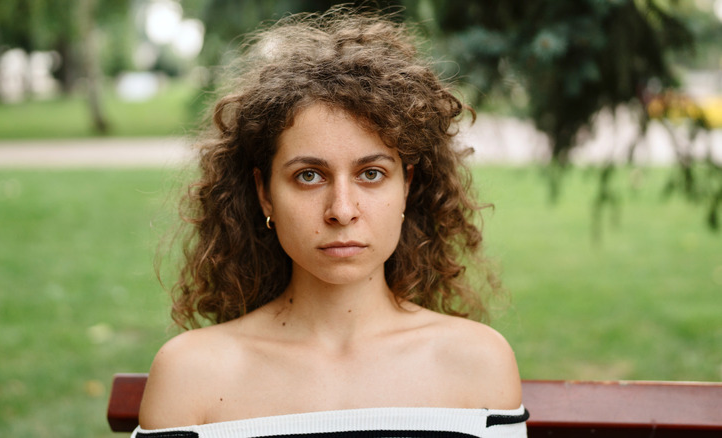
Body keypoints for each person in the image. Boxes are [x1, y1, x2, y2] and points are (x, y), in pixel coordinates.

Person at [135, 7, 527, 438]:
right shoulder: (192, 374)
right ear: (265, 192)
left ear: (407, 187)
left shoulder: (477, 363)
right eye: (309, 175)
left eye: (371, 174)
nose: (342, 210)